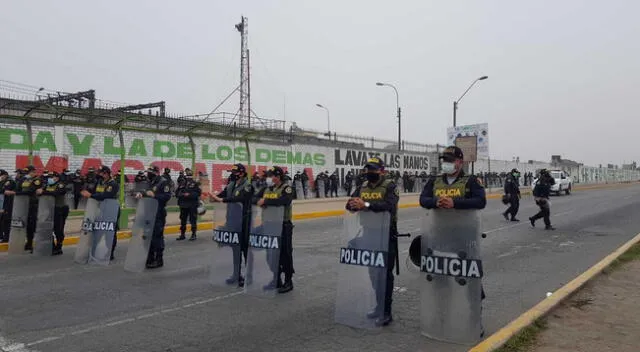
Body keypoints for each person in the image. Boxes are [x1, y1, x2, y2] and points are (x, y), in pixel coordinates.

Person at [346, 157, 399, 327]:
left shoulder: (390, 186)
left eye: (374, 170)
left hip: (385, 234)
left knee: (384, 274)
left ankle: (386, 312)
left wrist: (366, 204)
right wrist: (353, 205)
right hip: (369, 233)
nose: (370, 173)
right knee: (373, 273)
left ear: (382, 171)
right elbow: (350, 204)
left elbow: (389, 206)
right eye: (368, 169)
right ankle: (378, 306)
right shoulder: (362, 186)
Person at [210, 163, 255, 287]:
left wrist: (222, 200)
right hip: (231, 220)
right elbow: (223, 195)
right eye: (232, 172)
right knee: (235, 248)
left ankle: (249, 276)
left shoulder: (247, 186)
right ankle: (236, 275)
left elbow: (240, 198)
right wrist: (213, 196)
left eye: (235, 172)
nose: (232, 174)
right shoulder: (231, 185)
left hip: (244, 221)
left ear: (241, 173)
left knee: (245, 248)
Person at [254, 166, 295, 293]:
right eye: (268, 176)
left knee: (284, 254)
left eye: (271, 176)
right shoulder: (266, 189)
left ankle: (288, 281)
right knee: (270, 255)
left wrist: (265, 201)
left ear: (278, 177)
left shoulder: (287, 188)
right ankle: (276, 279)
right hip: (269, 225)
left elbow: (285, 200)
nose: (269, 178)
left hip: (283, 225)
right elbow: (253, 198)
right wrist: (260, 201)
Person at [136, 166, 171, 269]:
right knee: (147, 236)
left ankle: (159, 259)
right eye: (148, 172)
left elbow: (166, 196)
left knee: (157, 236)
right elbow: (145, 191)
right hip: (148, 212)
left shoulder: (163, 182)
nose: (148, 174)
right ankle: (149, 257)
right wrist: (140, 194)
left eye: (150, 172)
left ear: (156, 172)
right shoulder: (149, 182)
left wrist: (154, 196)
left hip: (158, 212)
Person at [82, 166, 120, 260]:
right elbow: (95, 192)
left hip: (111, 210)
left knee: (109, 232)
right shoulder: (99, 182)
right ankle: (95, 251)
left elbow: (105, 195)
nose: (99, 175)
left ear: (106, 173)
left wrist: (91, 195)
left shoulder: (113, 184)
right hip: (101, 209)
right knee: (98, 230)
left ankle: (110, 252)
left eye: (101, 173)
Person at [37, 171, 69, 255]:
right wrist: (39, 192)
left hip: (60, 209)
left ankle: (59, 247)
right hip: (49, 209)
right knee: (47, 228)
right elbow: (40, 193)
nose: (50, 179)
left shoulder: (60, 185)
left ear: (57, 177)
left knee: (58, 229)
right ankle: (52, 246)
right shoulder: (47, 185)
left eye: (52, 177)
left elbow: (57, 193)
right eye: (49, 177)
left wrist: (43, 192)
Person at [13, 166, 42, 252]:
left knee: (33, 225)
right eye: (26, 172)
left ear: (33, 172)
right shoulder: (24, 179)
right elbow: (17, 188)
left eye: (28, 172)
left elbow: (30, 191)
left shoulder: (37, 180)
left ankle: (35, 244)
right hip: (23, 205)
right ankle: (29, 243)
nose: (26, 174)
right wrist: (18, 190)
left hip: (33, 205)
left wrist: (17, 193)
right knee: (26, 225)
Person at [176, 168, 201, 241]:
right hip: (183, 204)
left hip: (192, 204)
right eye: (187, 174)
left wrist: (189, 194)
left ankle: (193, 234)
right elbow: (177, 193)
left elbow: (198, 193)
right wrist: (182, 194)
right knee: (183, 219)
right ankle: (182, 234)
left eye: (189, 175)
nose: (188, 177)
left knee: (193, 219)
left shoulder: (195, 183)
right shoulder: (182, 183)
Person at [0, 169, 17, 243]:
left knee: (6, 222)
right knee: (3, 221)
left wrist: (4, 191)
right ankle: (3, 237)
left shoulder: (9, 181)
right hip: (4, 204)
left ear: (5, 175)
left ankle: (6, 238)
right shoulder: (2, 182)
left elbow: (5, 191)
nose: (1, 177)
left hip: (8, 205)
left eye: (2, 175)